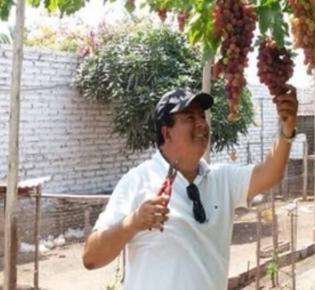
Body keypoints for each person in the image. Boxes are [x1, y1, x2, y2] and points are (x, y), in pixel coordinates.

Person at [82, 87, 298, 289]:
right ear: (167, 134)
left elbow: (270, 173)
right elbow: (91, 258)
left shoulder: (221, 179)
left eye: (202, 116)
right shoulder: (139, 181)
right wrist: (133, 223)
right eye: (189, 118)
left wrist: (287, 129)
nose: (202, 124)